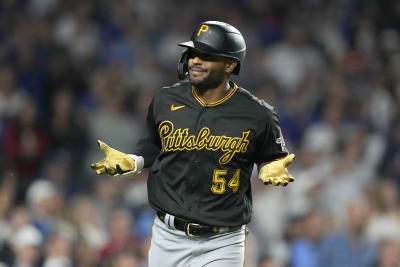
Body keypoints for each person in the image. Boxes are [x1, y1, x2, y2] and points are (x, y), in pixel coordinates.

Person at [90, 20, 295, 267]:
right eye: (193, 53)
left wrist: (271, 167)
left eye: (206, 55)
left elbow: (273, 158)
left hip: (223, 239)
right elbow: (154, 144)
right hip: (168, 236)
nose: (195, 60)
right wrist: (135, 161)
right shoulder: (165, 99)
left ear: (230, 64)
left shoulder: (258, 114)